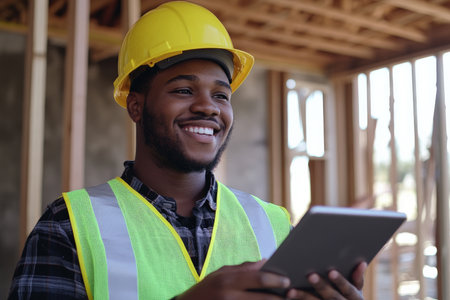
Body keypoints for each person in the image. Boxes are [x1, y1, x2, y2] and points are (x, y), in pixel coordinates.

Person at [8, 1, 366, 299]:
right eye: (183, 90)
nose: (208, 107)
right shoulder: (68, 226)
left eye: (221, 95)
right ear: (135, 106)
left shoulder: (273, 225)